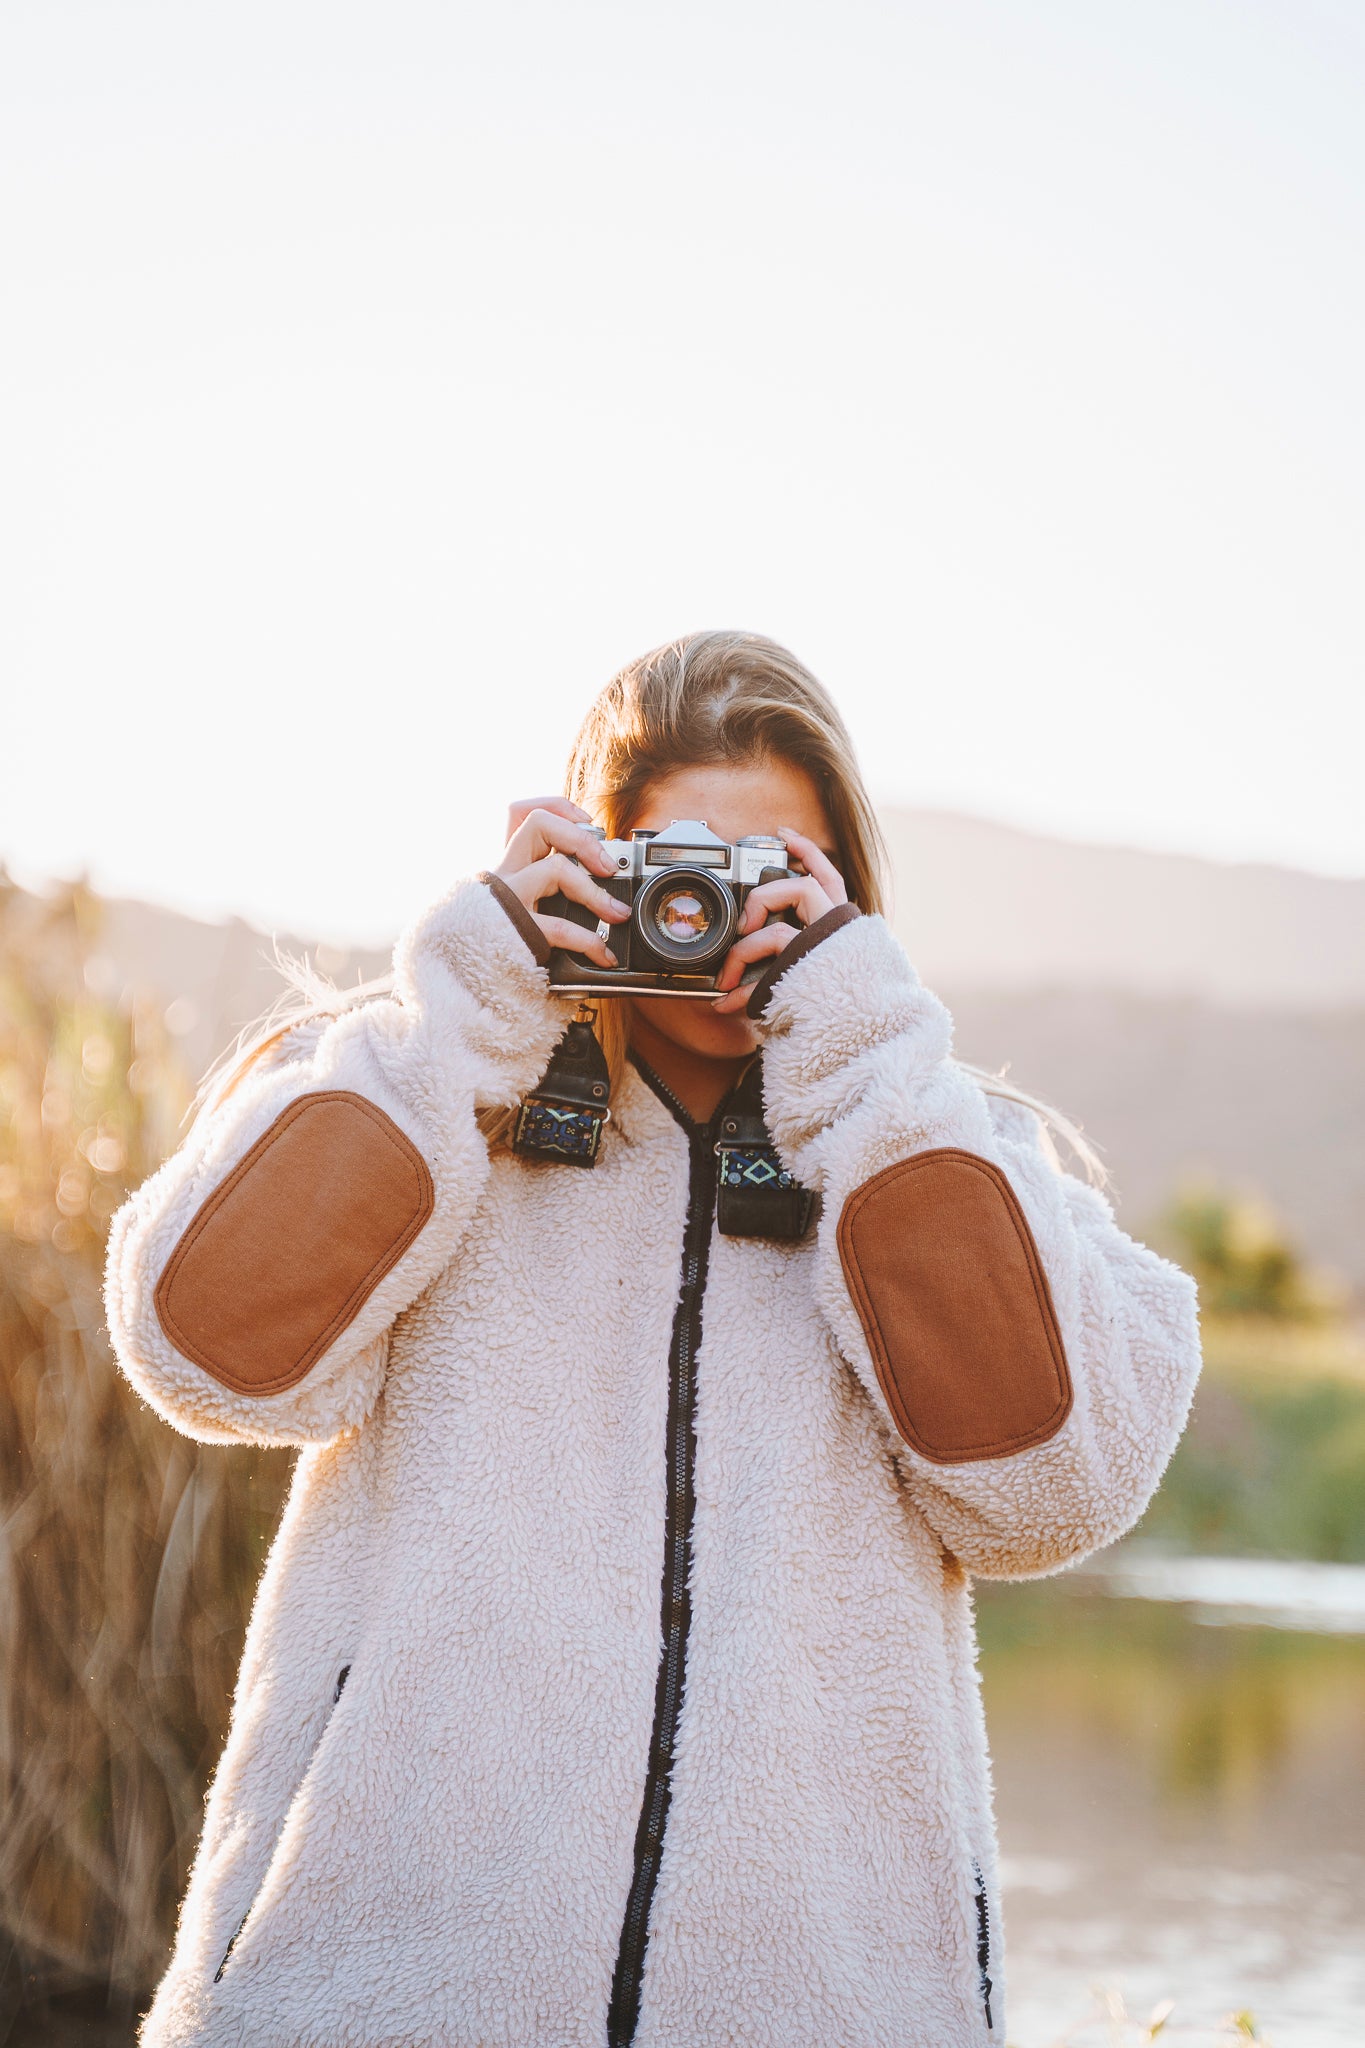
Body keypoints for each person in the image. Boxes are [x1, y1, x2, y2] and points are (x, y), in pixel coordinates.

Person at [105, 630, 1201, 2048]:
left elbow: (1049, 1494)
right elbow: (204, 1360)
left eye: (773, 885)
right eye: (671, 872)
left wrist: (867, 1078)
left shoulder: (948, 1159)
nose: (712, 920)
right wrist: (461, 1021)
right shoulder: (426, 1095)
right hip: (366, 2002)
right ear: (583, 873)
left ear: (853, 906)